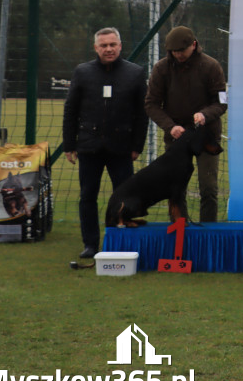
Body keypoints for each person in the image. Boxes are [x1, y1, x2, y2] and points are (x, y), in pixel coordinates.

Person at [62, 27, 148, 258]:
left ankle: (121, 240)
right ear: (96, 48)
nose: (108, 49)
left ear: (120, 46)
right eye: (104, 45)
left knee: (125, 197)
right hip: (89, 147)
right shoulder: (82, 72)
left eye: (112, 45)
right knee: (88, 196)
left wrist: (137, 146)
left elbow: (142, 114)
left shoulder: (136, 73)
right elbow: (71, 109)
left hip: (122, 148)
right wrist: (69, 144)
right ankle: (90, 244)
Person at [144, 26, 227, 222]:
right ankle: (180, 229)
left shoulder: (211, 66)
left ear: (194, 45)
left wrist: (205, 115)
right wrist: (170, 126)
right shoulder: (161, 69)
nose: (178, 55)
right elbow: (151, 104)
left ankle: (208, 232)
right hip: (177, 138)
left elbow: (222, 102)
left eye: (182, 50)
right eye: (174, 51)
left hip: (206, 136)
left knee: (209, 189)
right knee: (175, 188)